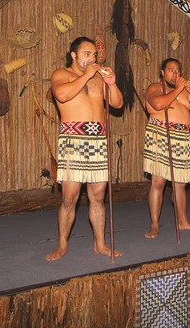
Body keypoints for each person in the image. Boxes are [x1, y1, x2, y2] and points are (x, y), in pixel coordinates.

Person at [46, 37, 123, 261]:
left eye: (94, 55)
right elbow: (61, 95)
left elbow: (117, 104)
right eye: (86, 54)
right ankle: (62, 245)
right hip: (73, 139)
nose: (92, 58)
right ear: (74, 55)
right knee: (70, 197)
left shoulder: (99, 79)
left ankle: (100, 244)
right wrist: (87, 75)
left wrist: (112, 83)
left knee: (98, 195)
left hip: (97, 139)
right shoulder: (61, 74)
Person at [143, 58, 190, 238]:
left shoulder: (185, 92)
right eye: (171, 70)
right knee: (158, 182)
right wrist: (178, 89)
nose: (175, 74)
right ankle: (154, 224)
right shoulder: (155, 88)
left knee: (180, 183)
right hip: (160, 135)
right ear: (162, 72)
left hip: (181, 138)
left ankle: (183, 221)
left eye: (178, 70)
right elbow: (158, 104)